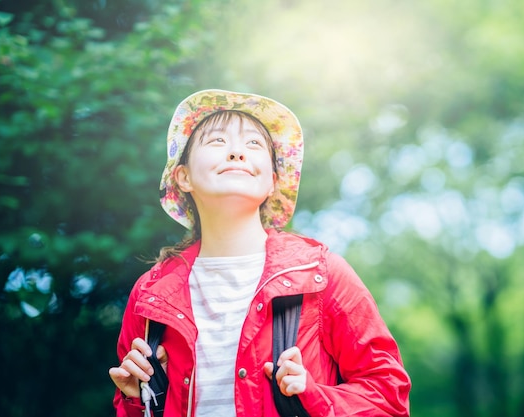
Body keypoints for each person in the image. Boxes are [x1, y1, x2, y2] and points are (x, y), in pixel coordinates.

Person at [109, 89, 411, 417]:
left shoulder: (321, 274)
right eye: (217, 142)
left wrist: (313, 395)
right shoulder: (150, 295)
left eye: (253, 144)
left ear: (272, 182)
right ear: (183, 177)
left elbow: (388, 395)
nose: (237, 152)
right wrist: (139, 398)